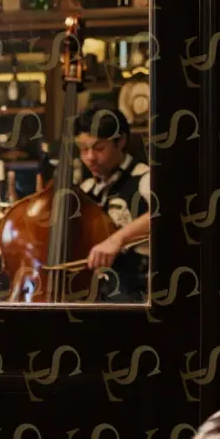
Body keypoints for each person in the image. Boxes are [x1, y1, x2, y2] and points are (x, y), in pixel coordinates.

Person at [76, 101, 151, 303]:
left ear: (120, 142)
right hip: (95, 296)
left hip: (136, 297)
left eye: (99, 148)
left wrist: (116, 240)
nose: (90, 157)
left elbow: (166, 212)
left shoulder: (145, 179)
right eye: (83, 149)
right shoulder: (86, 189)